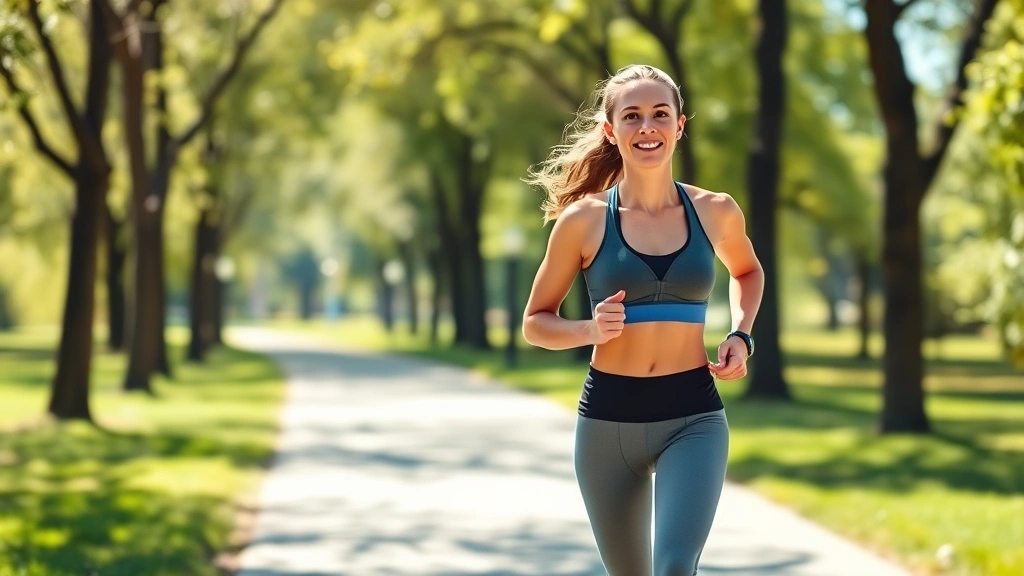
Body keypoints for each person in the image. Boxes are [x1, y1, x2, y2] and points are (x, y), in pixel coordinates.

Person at [521, 64, 764, 576]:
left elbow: (747, 271)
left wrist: (741, 333)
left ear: (679, 125)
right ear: (611, 131)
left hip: (692, 415)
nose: (647, 127)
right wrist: (588, 330)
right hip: (609, 420)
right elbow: (535, 322)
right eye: (632, 116)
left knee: (676, 566)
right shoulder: (584, 221)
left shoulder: (715, 211)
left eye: (660, 114)